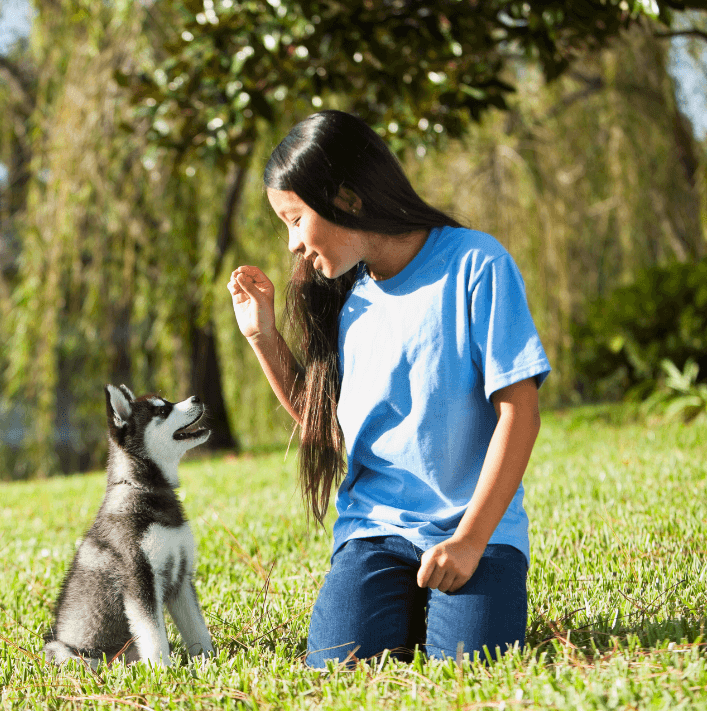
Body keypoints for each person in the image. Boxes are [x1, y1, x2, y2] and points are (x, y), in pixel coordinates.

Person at [226, 110, 551, 667]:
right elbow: (323, 426)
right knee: (336, 667)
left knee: (472, 671)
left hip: (478, 529)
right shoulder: (343, 294)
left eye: (296, 219)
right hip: (376, 533)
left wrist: (470, 541)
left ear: (347, 200)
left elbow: (519, 413)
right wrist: (263, 336)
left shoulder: (476, 263)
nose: (291, 245)